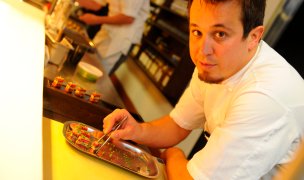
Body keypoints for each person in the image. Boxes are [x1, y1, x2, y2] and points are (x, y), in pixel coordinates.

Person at [100, 0, 304, 179]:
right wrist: (137, 130)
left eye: (220, 34)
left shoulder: (265, 97)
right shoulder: (214, 64)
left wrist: (174, 154)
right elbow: (177, 124)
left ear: (253, 37)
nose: (202, 50)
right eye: (197, 31)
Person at [76, 0, 150, 75]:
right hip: (107, 32)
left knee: (98, 74)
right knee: (87, 64)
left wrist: (96, 19)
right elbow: (97, 5)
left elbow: (128, 18)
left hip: (121, 40)